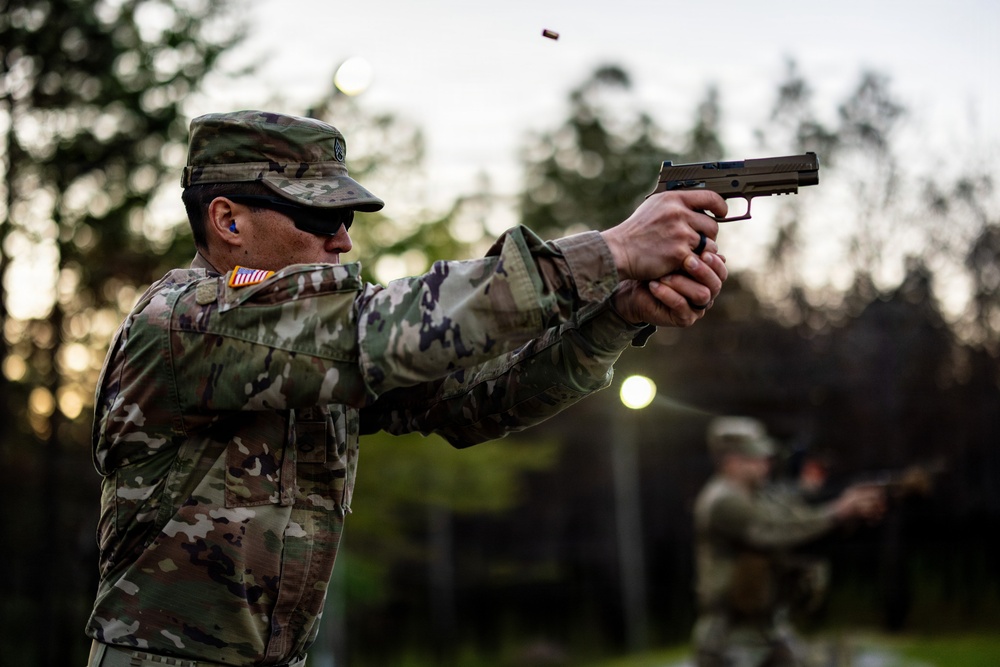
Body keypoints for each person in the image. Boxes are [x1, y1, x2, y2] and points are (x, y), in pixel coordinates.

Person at [85, 110, 730, 666]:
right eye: (320, 214)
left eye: (346, 217)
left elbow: (477, 397)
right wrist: (610, 251)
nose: (343, 238)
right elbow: (392, 329)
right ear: (228, 220)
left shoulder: (305, 347)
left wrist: (615, 315)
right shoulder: (183, 323)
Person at [691, 416, 886, 667]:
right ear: (732, 462)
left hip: (767, 629)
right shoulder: (722, 501)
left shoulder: (756, 495)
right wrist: (838, 511)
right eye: (755, 457)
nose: (765, 462)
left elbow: (792, 510)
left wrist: (842, 505)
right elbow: (776, 531)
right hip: (732, 636)